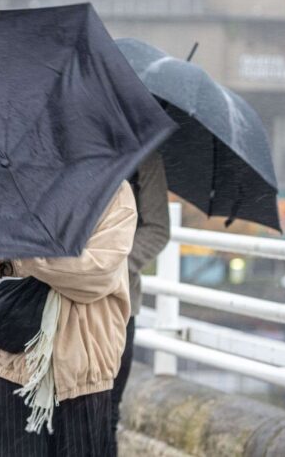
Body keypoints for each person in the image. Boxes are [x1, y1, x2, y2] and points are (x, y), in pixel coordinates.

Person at [0, 182, 137, 457]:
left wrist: (27, 255)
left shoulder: (111, 189)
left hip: (82, 371)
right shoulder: (4, 184)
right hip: (10, 364)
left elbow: (96, 275)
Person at [109, 152, 170, 455]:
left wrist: (109, 265)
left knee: (104, 413)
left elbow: (157, 228)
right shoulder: (53, 142)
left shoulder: (143, 154)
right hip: (52, 299)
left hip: (117, 307)